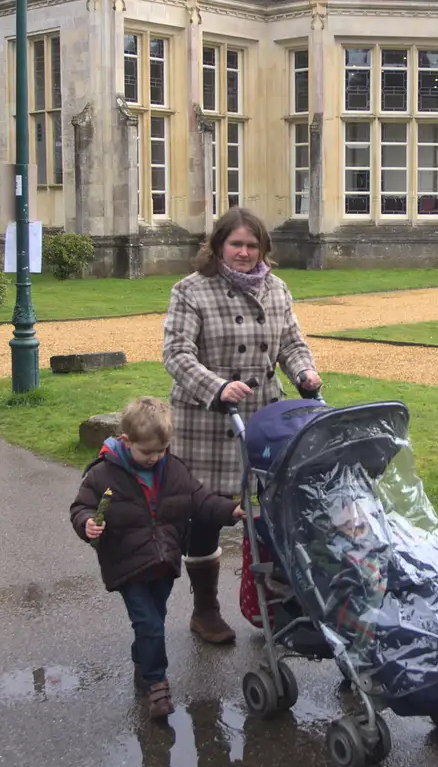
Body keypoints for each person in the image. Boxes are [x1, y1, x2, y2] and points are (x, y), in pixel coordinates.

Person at [162, 207, 322, 644]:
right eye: (236, 244)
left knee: (271, 511)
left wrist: (305, 373)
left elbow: (291, 342)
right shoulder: (191, 291)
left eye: (253, 246)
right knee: (207, 515)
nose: (245, 253)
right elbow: (176, 354)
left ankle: (273, 602)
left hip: (265, 417)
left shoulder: (277, 289)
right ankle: (205, 609)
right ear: (217, 246)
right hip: (209, 419)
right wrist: (216, 387)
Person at [69, 397, 244, 718]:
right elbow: (81, 508)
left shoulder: (173, 468)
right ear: (126, 441)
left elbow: (198, 499)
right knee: (149, 623)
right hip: (126, 564)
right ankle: (157, 685)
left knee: (153, 620)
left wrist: (230, 510)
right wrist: (87, 523)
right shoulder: (103, 475)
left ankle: (141, 658)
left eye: (161, 451)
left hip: (164, 562)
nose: (154, 458)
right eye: (147, 452)